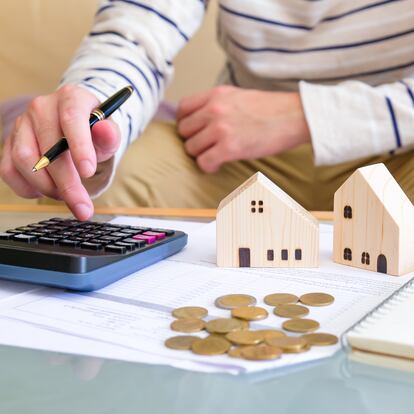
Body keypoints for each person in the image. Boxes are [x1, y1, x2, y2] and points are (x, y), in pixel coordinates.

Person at [1, 0, 414, 220]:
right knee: (87, 184)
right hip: (240, 154)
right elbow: (140, 31)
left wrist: (310, 116)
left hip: (402, 153)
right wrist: (90, 100)